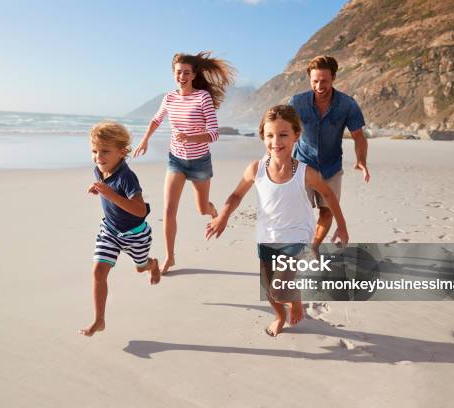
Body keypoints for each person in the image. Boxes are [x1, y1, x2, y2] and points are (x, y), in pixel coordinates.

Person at [205, 105, 349, 337]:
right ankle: (281, 315)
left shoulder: (306, 172)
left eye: (283, 135)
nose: (276, 141)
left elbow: (329, 195)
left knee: (280, 291)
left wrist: (341, 225)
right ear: (263, 136)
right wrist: (222, 216)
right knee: (270, 291)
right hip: (267, 237)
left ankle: (294, 300)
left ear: (296, 136)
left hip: (297, 237)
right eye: (270, 135)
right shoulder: (256, 169)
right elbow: (236, 195)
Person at [133, 51, 234, 274]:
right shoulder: (169, 97)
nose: (182, 76)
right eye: (178, 72)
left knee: (201, 209)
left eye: (186, 72)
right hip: (176, 161)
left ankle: (212, 209)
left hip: (199, 163)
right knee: (169, 210)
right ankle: (170, 256)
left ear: (193, 74)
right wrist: (145, 140)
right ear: (174, 74)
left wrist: (190, 137)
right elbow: (156, 119)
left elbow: (214, 134)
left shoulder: (202, 98)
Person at [80, 122, 160, 337]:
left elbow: (140, 210)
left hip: (136, 235)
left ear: (122, 152)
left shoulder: (127, 177)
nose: (98, 157)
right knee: (98, 271)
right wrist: (98, 189)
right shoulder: (99, 169)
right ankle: (99, 320)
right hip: (110, 231)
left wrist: (110, 195)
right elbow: (106, 188)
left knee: (140, 268)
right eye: (94, 151)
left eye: (105, 151)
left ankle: (152, 264)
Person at [289, 55, 369, 254]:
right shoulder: (297, 102)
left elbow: (358, 136)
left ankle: (314, 246)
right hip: (302, 164)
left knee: (327, 211)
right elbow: (283, 130)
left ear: (333, 78)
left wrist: (361, 161)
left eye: (324, 81)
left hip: (331, 166)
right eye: (314, 81)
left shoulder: (347, 104)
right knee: (301, 213)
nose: (319, 86)